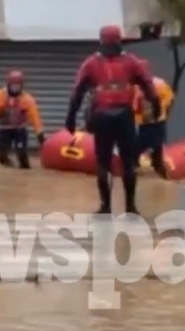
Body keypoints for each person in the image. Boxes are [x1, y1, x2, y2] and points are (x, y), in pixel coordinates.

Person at [64, 25, 160, 215]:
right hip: (124, 116)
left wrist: (71, 118)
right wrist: (156, 108)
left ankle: (106, 207)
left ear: (102, 41)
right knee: (128, 162)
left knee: (103, 162)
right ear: (120, 40)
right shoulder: (131, 62)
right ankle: (130, 207)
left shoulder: (91, 63)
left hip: (102, 116)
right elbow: (148, 86)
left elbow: (77, 92)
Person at [0, 71, 45, 168]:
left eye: (17, 85)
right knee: (1, 155)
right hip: (4, 129)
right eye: (13, 85)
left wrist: (40, 133)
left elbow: (35, 117)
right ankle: (9, 170)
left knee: (21, 154)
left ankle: (25, 171)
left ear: (21, 85)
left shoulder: (27, 99)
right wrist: (0, 109)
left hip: (20, 130)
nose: (15, 88)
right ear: (8, 84)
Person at [133, 58, 174, 178]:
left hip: (151, 123)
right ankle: (160, 174)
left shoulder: (139, 86)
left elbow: (134, 106)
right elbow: (169, 99)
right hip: (154, 123)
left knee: (138, 149)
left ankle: (156, 174)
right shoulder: (158, 83)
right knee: (156, 150)